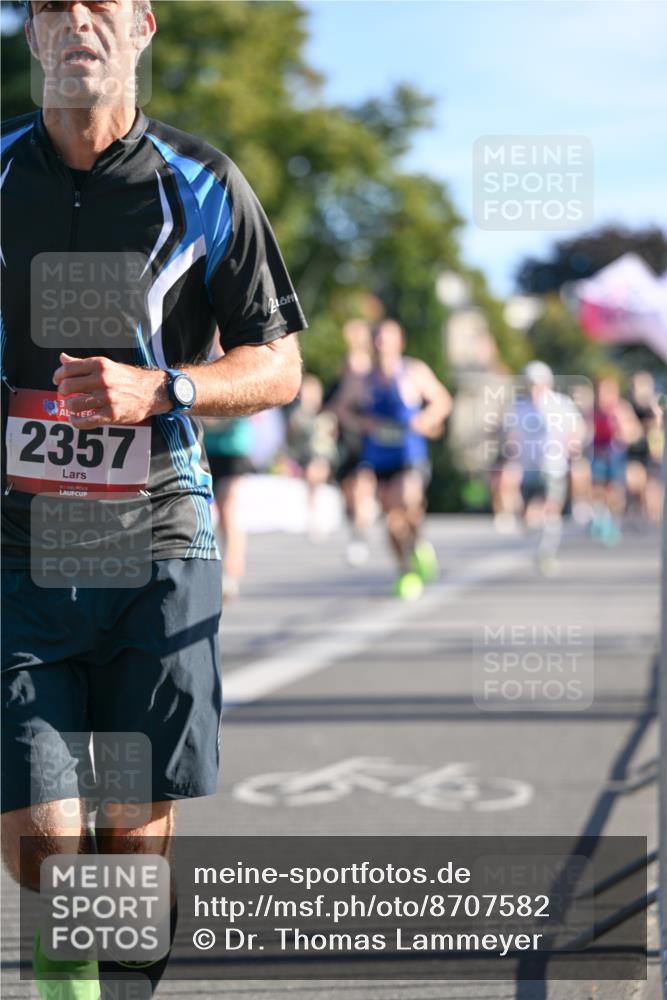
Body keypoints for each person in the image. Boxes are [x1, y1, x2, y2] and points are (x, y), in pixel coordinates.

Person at [1, 2, 306, 998]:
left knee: (130, 830)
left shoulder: (204, 182)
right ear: (33, 36)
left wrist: (165, 387)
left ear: (141, 28)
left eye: (100, 4)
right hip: (21, 541)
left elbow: (279, 365)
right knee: (44, 834)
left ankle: (105, 980)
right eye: (53, 6)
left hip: (157, 535)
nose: (75, 20)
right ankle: (69, 968)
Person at [335, 319, 452, 600]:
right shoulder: (361, 378)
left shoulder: (413, 371)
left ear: (400, 343)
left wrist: (425, 419)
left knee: (406, 505)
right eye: (377, 338)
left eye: (387, 338)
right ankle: (406, 569)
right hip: (378, 458)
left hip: (410, 456)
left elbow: (442, 401)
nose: (381, 344)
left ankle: (418, 545)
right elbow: (340, 409)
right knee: (391, 520)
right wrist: (363, 423)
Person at [503, 362, 586, 574]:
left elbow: (578, 428)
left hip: (553, 467)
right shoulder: (519, 407)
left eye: (538, 384)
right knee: (530, 516)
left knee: (550, 508)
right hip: (528, 468)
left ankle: (546, 552)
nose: (534, 389)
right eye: (530, 384)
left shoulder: (560, 404)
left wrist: (572, 443)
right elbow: (510, 436)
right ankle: (539, 540)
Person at [326, 319, 376, 566]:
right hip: (347, 438)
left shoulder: (369, 367)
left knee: (360, 488)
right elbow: (334, 403)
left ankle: (360, 537)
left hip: (366, 439)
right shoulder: (345, 366)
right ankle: (358, 529)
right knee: (349, 493)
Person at [590, 375, 642, 545]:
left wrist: (621, 427)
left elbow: (635, 433)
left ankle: (613, 523)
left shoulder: (622, 409)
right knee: (597, 487)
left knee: (614, 490)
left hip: (616, 455)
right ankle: (599, 518)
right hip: (598, 454)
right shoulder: (593, 411)